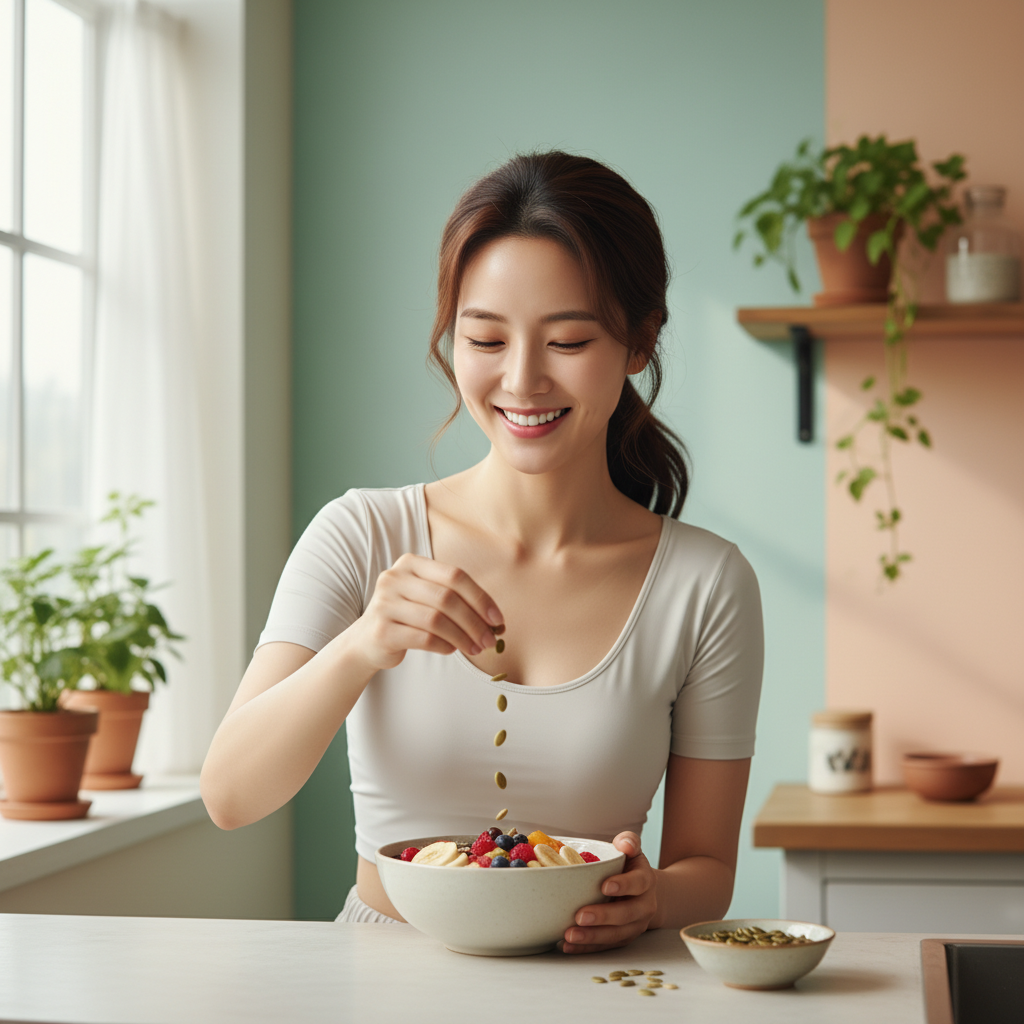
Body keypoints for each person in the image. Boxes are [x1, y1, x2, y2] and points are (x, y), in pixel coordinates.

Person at [201, 151, 763, 953]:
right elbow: (230, 795)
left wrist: (650, 901)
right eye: (486, 338)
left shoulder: (707, 583)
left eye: (568, 340)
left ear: (639, 344)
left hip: (596, 985)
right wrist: (365, 644)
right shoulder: (362, 534)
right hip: (377, 975)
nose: (523, 379)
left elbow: (706, 868)